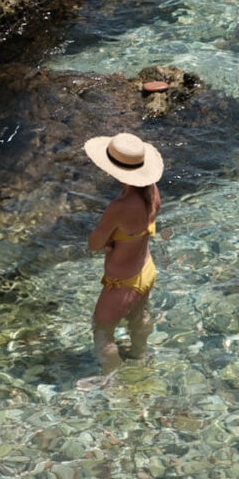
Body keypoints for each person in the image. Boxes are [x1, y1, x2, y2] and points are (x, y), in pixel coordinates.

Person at [84, 131, 164, 373]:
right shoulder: (152, 193)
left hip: (123, 283)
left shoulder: (118, 207)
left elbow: (94, 244)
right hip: (146, 271)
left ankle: (112, 382)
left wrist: (108, 242)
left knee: (102, 333)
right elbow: (135, 233)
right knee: (138, 317)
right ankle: (140, 356)